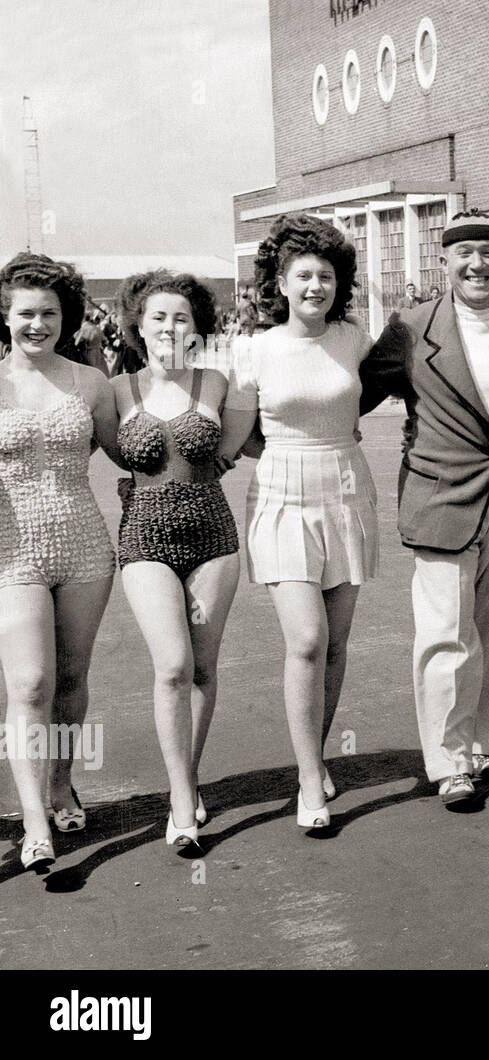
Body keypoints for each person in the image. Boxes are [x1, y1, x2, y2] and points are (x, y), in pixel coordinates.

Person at [359, 211, 489, 808]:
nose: (478, 265)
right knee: (445, 634)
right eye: (463, 253)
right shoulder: (411, 330)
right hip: (441, 500)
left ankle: (483, 742)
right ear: (443, 263)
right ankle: (448, 763)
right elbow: (352, 399)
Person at [220, 213, 380, 832]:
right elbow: (234, 440)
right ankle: (310, 778)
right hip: (282, 499)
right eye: (304, 276)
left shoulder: (355, 340)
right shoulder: (254, 349)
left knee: (336, 644)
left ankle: (314, 755)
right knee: (307, 640)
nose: (317, 286)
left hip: (346, 492)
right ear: (280, 283)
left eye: (328, 276)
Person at [113, 270, 241, 852]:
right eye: (159, 316)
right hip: (143, 539)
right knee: (172, 666)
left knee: (204, 669)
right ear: (138, 324)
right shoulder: (117, 391)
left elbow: (243, 444)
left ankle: (184, 784)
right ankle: (182, 800)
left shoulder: (216, 382)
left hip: (212, 537)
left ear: (198, 327)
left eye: (182, 317)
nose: (170, 327)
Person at [0, 253, 118, 871]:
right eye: (25, 313)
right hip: (10, 551)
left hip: (83, 547)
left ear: (66, 316)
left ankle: (61, 781)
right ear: (5, 316)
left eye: (49, 312)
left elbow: (131, 451)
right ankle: (35, 824)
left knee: (70, 682)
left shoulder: (90, 382)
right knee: (29, 684)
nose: (37, 324)